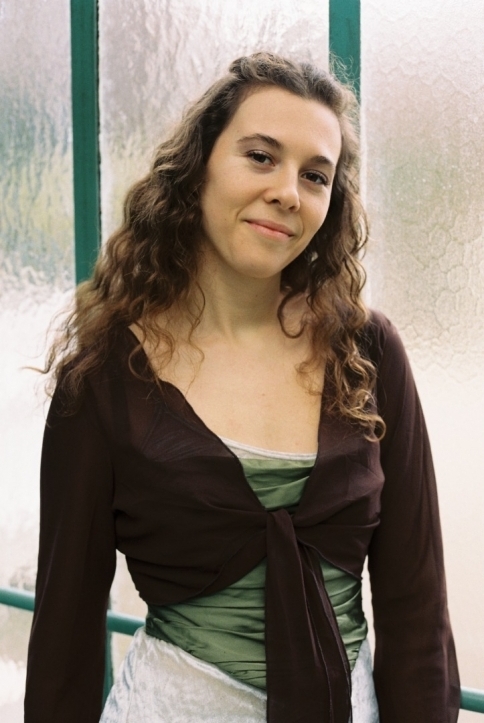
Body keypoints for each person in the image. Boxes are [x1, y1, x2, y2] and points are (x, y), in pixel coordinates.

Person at [24, 52, 460, 723]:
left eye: (315, 175)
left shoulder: (368, 352)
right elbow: (66, 628)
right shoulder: (107, 374)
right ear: (198, 167)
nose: (288, 191)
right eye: (261, 157)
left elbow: (417, 608)